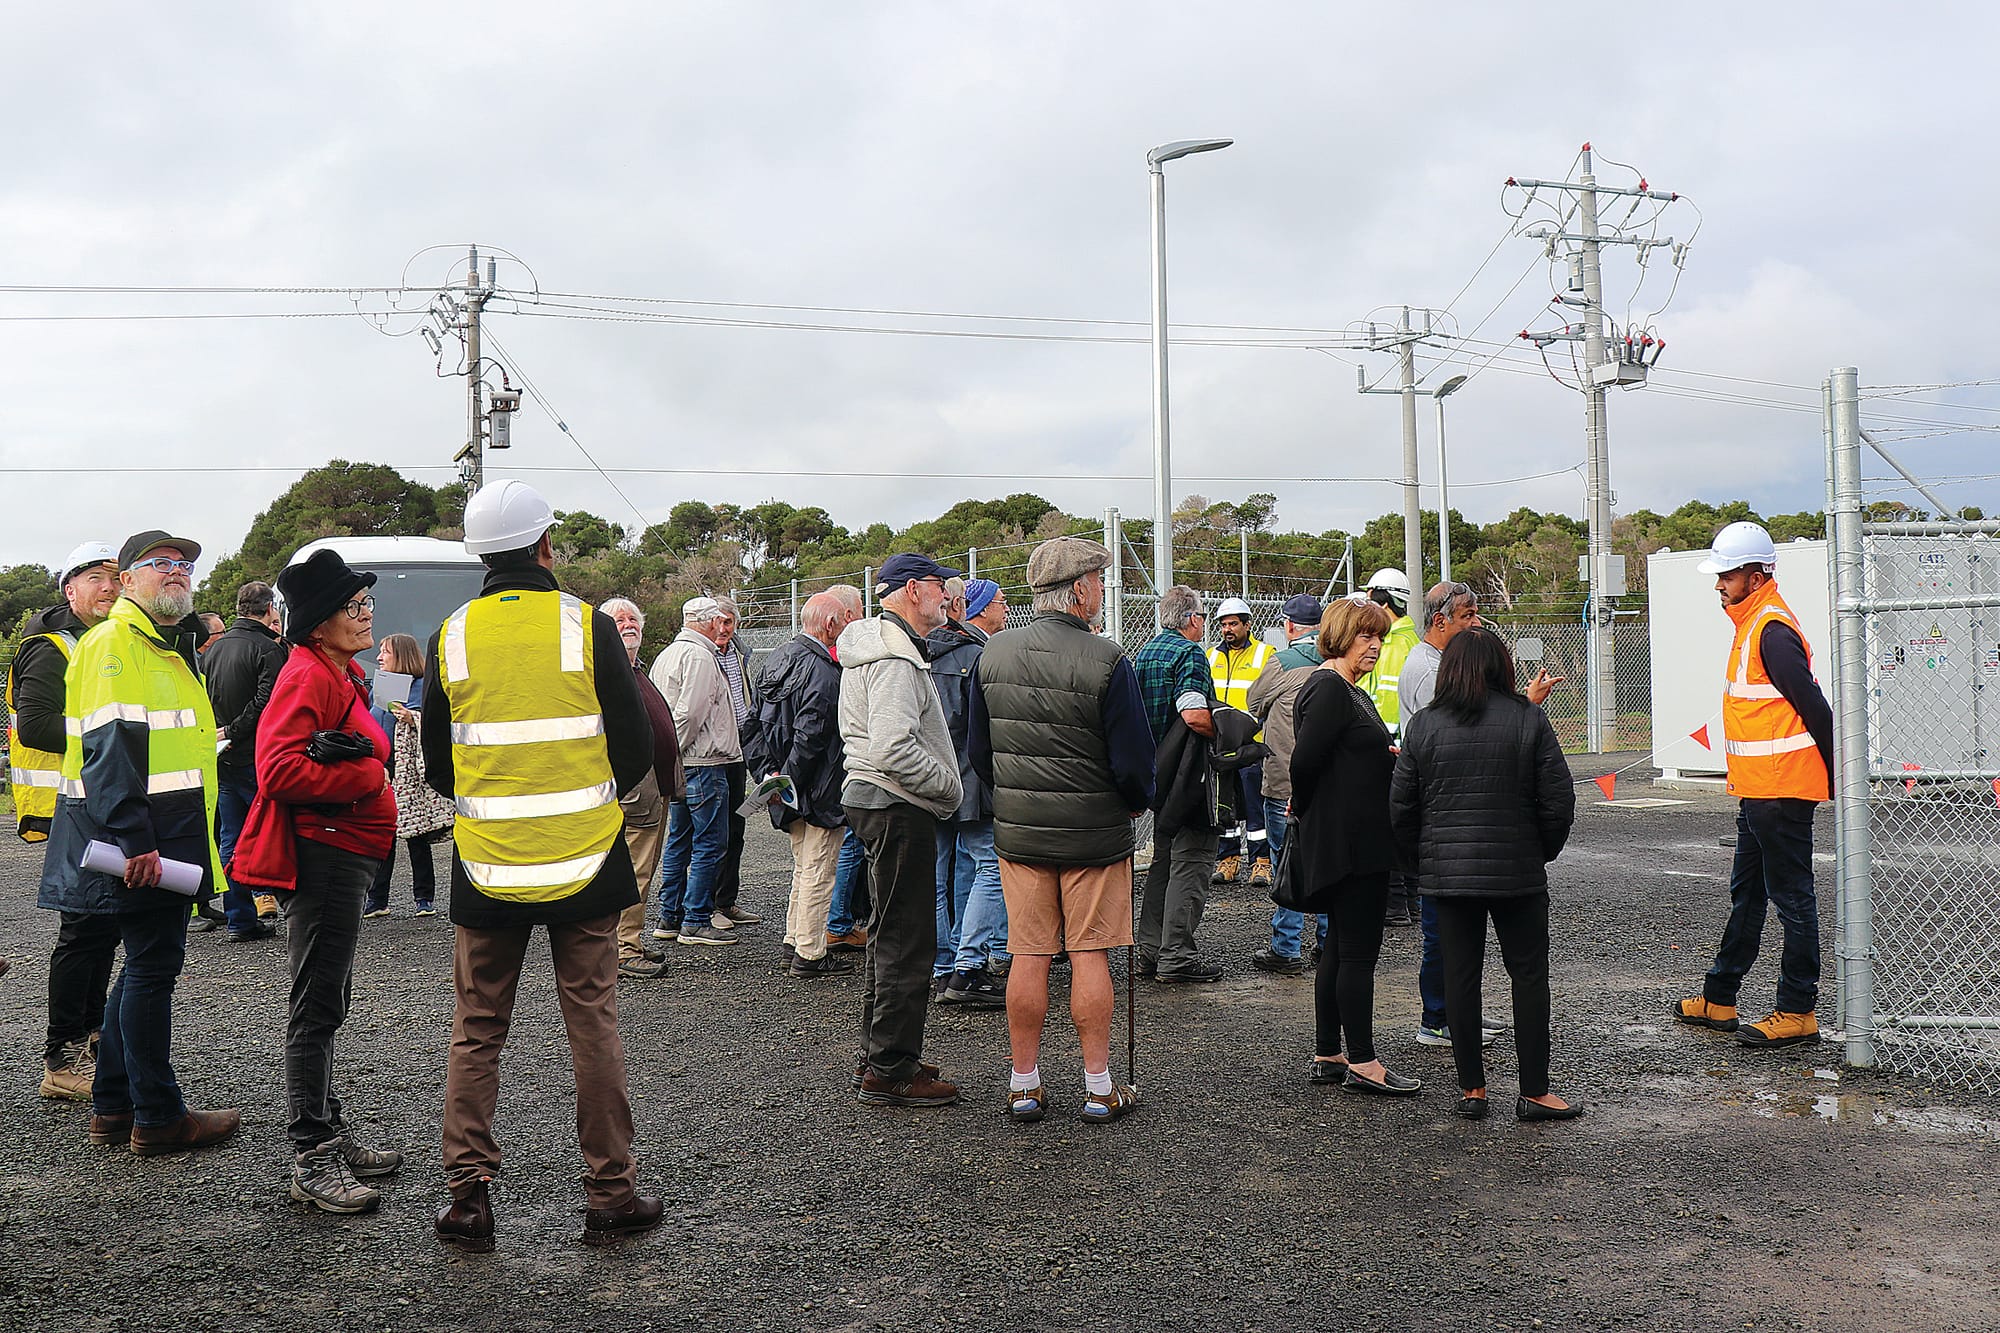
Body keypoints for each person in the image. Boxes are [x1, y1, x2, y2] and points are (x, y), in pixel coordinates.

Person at [419, 480, 660, 1250]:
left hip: (488, 862)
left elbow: (437, 762)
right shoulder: (586, 625)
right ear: (546, 545)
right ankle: (609, 1192)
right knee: (591, 1021)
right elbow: (633, 746)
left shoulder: (450, 635)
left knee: (477, 1028)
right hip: (586, 861)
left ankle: (467, 1198)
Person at [38, 530, 241, 1153]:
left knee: (141, 970)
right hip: (145, 841)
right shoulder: (115, 646)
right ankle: (157, 1116)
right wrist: (134, 841)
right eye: (160, 565)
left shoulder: (162, 648)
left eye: (183, 565)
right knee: (152, 971)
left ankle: (111, 1107)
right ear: (127, 581)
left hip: (163, 835)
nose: (176, 572)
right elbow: (107, 751)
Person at [233, 549, 405, 1209]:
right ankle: (313, 1154)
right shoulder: (308, 673)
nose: (366, 615)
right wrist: (368, 774)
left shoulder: (340, 672)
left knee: (328, 997)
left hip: (342, 855)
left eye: (365, 604)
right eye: (353, 607)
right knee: (316, 1004)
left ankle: (329, 1132)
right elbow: (276, 770)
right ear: (318, 621)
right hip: (324, 856)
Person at [969, 537, 1154, 1123]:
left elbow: (980, 753)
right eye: (1099, 580)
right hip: (1094, 836)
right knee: (1091, 952)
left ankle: (1025, 1083)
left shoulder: (991, 656)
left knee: (1028, 955)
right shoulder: (1108, 658)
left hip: (1021, 835)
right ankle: (1098, 1086)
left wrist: (1015, 800)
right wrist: (1133, 803)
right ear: (1079, 590)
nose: (1103, 589)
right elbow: (1133, 763)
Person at [1391, 629, 1580, 1121]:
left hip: (1447, 876)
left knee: (1459, 977)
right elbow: (1558, 800)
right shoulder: (1527, 717)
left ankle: (1472, 1089)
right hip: (1517, 872)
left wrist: (1423, 863)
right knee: (1529, 976)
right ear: (1501, 666)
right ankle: (1535, 1091)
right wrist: (1540, 850)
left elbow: (1402, 807)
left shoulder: (1424, 726)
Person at [1674, 522, 1834, 1050]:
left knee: (1791, 897)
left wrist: (1838, 771)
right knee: (1748, 891)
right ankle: (1720, 997)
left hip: (1782, 790)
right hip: (1760, 789)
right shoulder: (1752, 623)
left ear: (1755, 574)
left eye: (1726, 574)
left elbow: (1813, 705)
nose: (1718, 584)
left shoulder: (1770, 629)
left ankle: (1797, 1010)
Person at [837, 553, 965, 1107]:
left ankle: (883, 1056)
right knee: (908, 940)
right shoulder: (892, 655)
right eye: (940, 587)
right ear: (913, 589)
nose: (948, 597)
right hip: (896, 803)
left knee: (892, 933)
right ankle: (891, 1070)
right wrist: (947, 786)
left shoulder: (877, 647)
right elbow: (893, 747)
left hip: (877, 801)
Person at [1289, 594, 1419, 1097]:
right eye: (1366, 636)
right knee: (1358, 954)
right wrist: (1301, 804)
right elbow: (1304, 761)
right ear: (1341, 636)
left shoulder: (1346, 690)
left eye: (1380, 638)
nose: (1375, 646)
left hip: (1352, 838)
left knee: (1340, 951)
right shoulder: (1329, 689)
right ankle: (1364, 1062)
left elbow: (1338, 757)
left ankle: (1329, 1053)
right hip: (1351, 843)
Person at [10, 540, 122, 1102]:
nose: (109, 586)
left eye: (116, 576)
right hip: (68, 806)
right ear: (69, 589)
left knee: (103, 924)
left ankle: (94, 1032)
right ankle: (61, 1055)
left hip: (98, 801)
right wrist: (116, 735)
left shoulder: (102, 640)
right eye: (95, 577)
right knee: (82, 927)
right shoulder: (52, 646)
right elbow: (34, 727)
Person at [748, 591, 852, 979]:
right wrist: (788, 780)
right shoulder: (825, 672)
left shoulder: (778, 657)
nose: (849, 626)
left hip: (784, 783)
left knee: (803, 866)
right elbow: (810, 737)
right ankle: (810, 951)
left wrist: (771, 778)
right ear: (831, 624)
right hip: (818, 787)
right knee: (819, 869)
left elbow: (751, 723)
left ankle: (796, 941)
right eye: (848, 618)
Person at [927, 576, 1010, 1007]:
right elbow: (986, 726)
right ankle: (967, 966)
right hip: (973, 780)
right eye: (1000, 601)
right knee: (990, 867)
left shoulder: (921, 651)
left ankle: (943, 967)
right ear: (971, 607)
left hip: (931, 779)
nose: (1006, 607)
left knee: (939, 874)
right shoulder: (980, 656)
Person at [650, 596, 749, 946]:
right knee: (710, 842)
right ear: (708, 622)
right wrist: (676, 749)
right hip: (703, 762)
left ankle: (669, 916)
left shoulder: (666, 655)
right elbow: (689, 713)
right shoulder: (700, 657)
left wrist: (667, 755)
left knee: (679, 840)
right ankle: (695, 918)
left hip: (681, 764)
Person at [1133, 586, 1221, 983]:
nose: (1204, 621)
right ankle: (1177, 956)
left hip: (1156, 773)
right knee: (1193, 861)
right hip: (1189, 777)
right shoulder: (1190, 653)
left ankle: (1150, 949)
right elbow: (1192, 712)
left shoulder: (1146, 652)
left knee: (1163, 861)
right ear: (1191, 619)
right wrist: (1228, 731)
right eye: (1202, 615)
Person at [1244, 593, 1327, 976]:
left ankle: (1286, 947)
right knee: (1326, 862)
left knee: (1286, 862)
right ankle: (1329, 943)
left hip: (1284, 781)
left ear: (1289, 626)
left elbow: (1254, 702)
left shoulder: (1282, 662)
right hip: (1327, 781)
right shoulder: (1334, 663)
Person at [203, 580, 289, 941]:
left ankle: (238, 916)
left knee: (230, 836)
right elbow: (270, 702)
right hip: (259, 754)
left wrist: (221, 733)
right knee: (278, 831)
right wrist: (235, 731)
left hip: (223, 756)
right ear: (270, 609)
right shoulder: (268, 649)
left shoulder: (213, 650)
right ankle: (289, 905)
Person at [603, 598, 683, 981]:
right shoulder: (609, 673)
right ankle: (623, 948)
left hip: (654, 790)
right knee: (633, 871)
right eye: (618, 620)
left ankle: (628, 940)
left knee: (645, 869)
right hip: (635, 794)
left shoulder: (636, 670)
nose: (628, 624)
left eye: (633, 618)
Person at [360, 633, 445, 918]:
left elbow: (436, 723)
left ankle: (424, 898)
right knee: (384, 834)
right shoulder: (378, 688)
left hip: (409, 769)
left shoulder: (422, 687)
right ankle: (378, 899)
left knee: (415, 834)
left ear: (402, 656)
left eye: (385, 652)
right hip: (382, 768)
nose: (380, 657)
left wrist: (412, 717)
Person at [1359, 569, 1421, 926]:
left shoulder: (1386, 648)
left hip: (1387, 750)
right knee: (1407, 825)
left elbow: (1378, 703)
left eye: (1371, 598)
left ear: (1384, 601)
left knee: (1387, 827)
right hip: (1408, 750)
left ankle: (1395, 905)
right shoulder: (1414, 643)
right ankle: (1410, 901)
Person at [1207, 596, 1274, 888]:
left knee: (1256, 805)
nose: (1227, 629)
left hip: (1251, 744)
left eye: (1233, 623)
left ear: (1248, 624)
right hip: (1222, 745)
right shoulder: (1211, 656)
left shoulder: (1265, 654)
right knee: (1225, 804)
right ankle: (1228, 859)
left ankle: (1261, 863)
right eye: (1223, 624)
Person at [820, 583, 872, 952]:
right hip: (848, 763)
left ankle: (833, 920)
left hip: (833, 764)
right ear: (848, 615)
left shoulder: (818, 654)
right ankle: (837, 922)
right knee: (850, 844)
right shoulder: (850, 655)